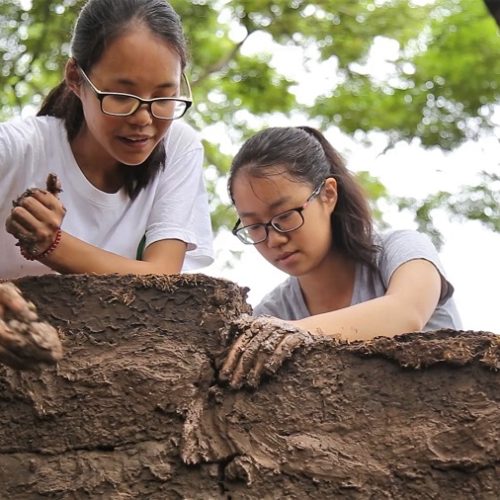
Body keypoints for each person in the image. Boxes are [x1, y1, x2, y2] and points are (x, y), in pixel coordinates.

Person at [219, 126, 462, 388]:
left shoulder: (400, 251)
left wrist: (293, 333)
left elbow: (406, 312)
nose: (274, 238)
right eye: (254, 227)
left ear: (328, 194)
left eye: (285, 216)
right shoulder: (273, 314)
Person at [0, 0, 213, 280]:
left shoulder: (178, 147)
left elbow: (162, 277)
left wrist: (53, 244)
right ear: (75, 78)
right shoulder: (17, 148)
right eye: (122, 96)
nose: (144, 119)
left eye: (164, 96)